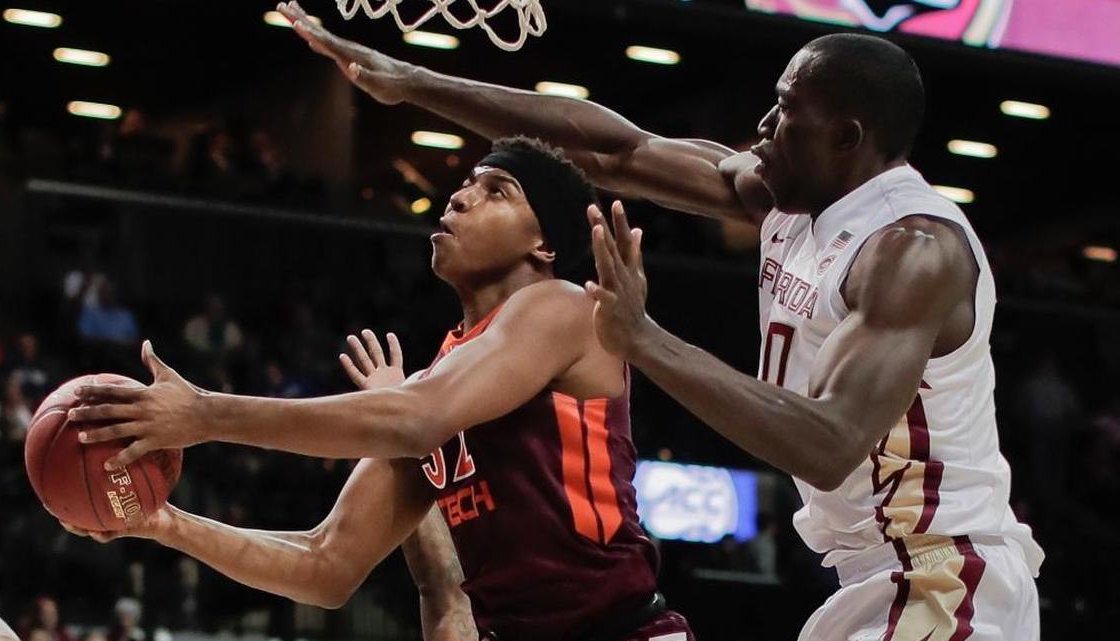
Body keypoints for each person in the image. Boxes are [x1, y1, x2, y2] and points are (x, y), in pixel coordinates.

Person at [271, 4, 1043, 639]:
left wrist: (645, 339)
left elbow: (829, 442)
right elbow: (615, 150)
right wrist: (413, 84)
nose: (764, 124)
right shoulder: (783, 195)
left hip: (945, 572)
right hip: (872, 573)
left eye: (787, 113)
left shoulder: (912, 250)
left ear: (849, 139)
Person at [66, 137, 694, 641]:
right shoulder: (433, 385)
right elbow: (325, 565)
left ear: (544, 242)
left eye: (496, 190)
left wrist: (204, 414)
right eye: (466, 184)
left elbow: (416, 418)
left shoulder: (563, 307)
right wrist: (166, 524)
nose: (460, 198)